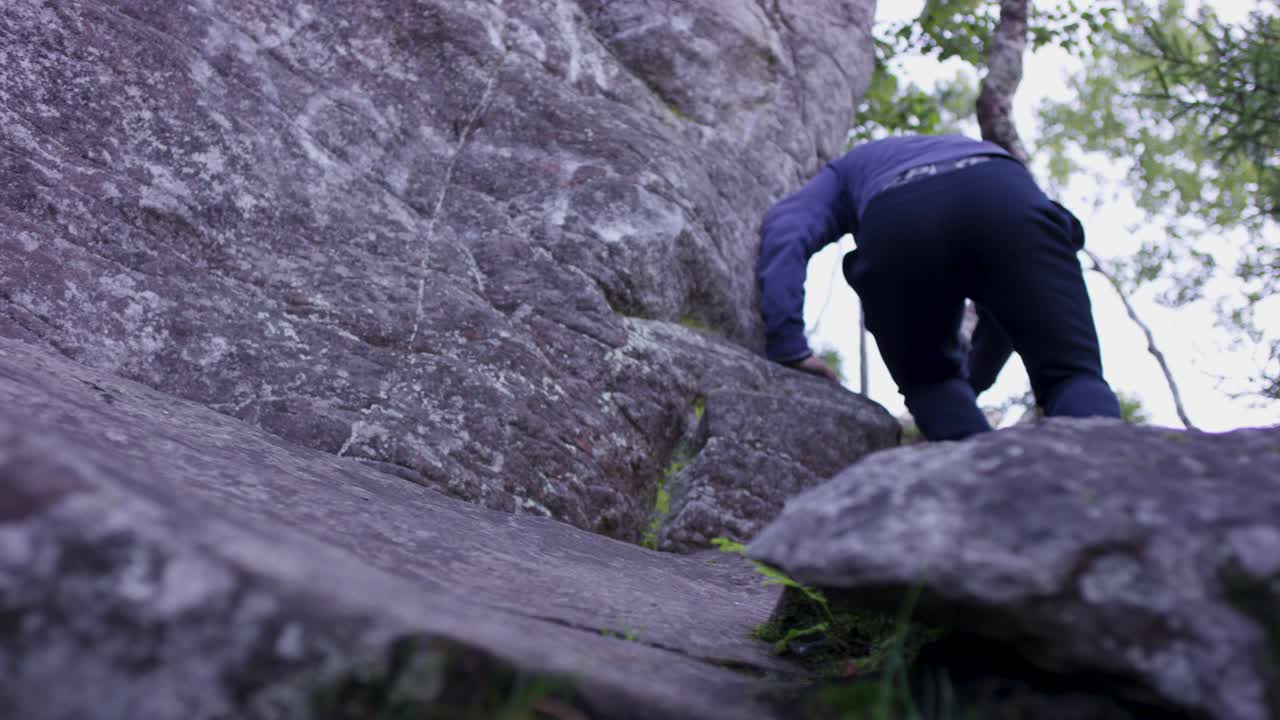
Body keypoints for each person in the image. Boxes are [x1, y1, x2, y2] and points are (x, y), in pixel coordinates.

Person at [756, 133, 1122, 441]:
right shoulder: (971, 147)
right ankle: (1115, 498)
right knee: (1071, 376)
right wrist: (975, 381)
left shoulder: (851, 165)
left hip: (898, 215)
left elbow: (786, 228)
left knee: (932, 385)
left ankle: (984, 501)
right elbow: (1016, 301)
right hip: (1004, 192)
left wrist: (788, 345)